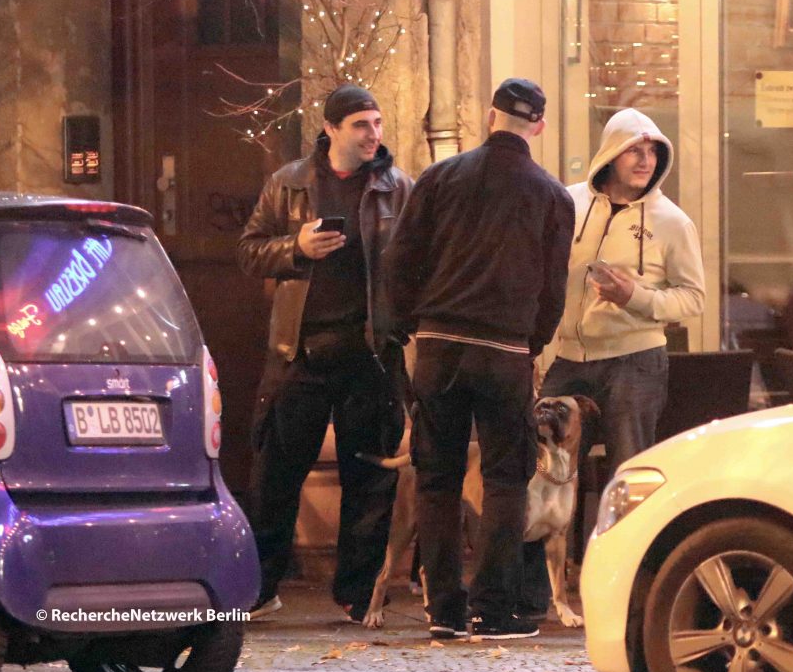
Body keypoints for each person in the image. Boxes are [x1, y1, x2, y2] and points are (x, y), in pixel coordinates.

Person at [384, 78, 575, 641]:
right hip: (505, 353)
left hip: (439, 348)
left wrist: (408, 324)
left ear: (489, 116)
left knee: (438, 479)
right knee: (505, 481)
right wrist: (531, 342)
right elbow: (554, 288)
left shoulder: (440, 177)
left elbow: (402, 258)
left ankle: (442, 608)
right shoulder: (553, 196)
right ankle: (493, 612)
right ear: (538, 126)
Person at [520, 107, 705, 619]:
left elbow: (693, 299)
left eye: (653, 151)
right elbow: (539, 273)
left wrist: (637, 297)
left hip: (634, 361)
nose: (645, 159)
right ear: (610, 151)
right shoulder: (569, 203)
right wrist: (537, 346)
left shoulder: (672, 222)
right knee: (540, 473)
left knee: (630, 476)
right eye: (634, 149)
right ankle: (540, 597)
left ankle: (631, 593)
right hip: (567, 358)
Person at [238, 84, 413, 621]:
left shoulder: (396, 187)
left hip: (371, 352)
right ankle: (261, 588)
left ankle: (358, 595)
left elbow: (417, 260)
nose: (373, 135)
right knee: (275, 475)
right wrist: (296, 248)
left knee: (370, 478)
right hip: (301, 352)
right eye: (361, 124)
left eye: (378, 123)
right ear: (331, 128)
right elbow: (248, 251)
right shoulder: (289, 184)